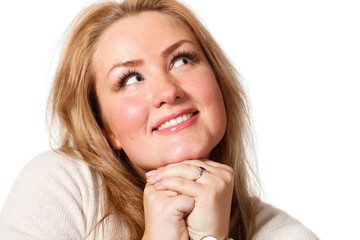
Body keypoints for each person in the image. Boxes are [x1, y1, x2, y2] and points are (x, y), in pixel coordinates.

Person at [0, 0, 319, 239]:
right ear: (107, 128)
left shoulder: (282, 233)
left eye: (182, 59)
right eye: (131, 79)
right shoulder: (60, 186)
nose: (167, 91)